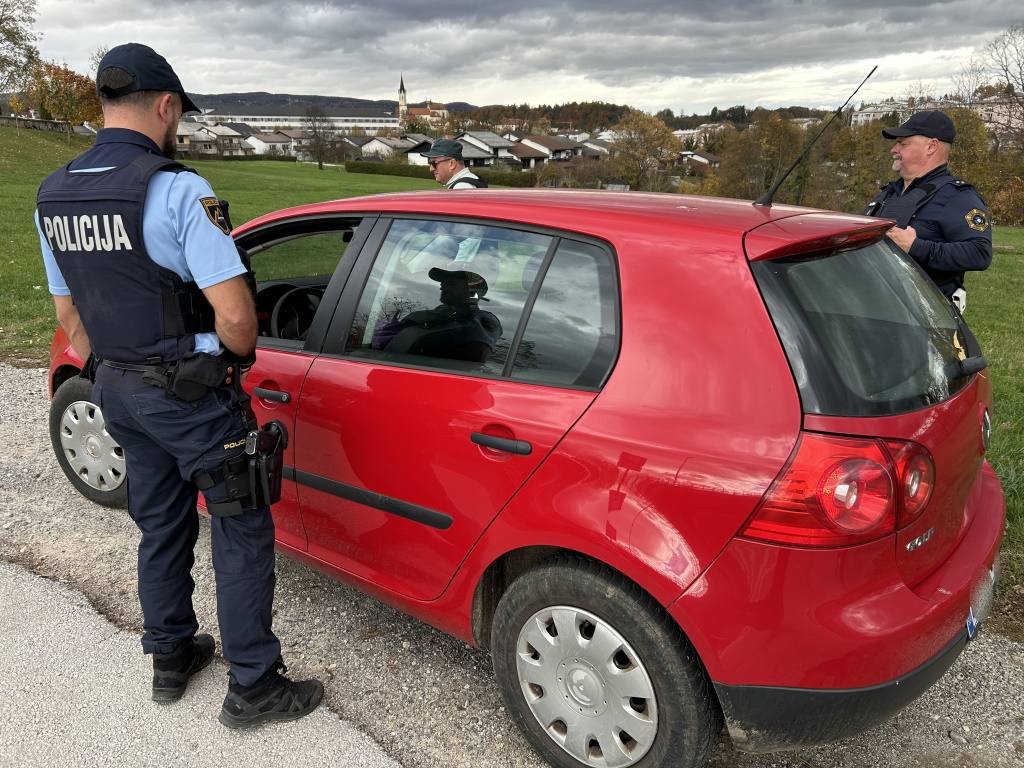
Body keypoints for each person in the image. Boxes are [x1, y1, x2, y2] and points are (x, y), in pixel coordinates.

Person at [34, 43, 323, 728]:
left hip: (118, 390)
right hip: (193, 397)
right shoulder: (176, 189)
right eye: (178, 116)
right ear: (166, 107)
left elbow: (69, 316)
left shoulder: (55, 193)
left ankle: (170, 656)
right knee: (241, 528)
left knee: (160, 523)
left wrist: (113, 372)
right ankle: (254, 684)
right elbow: (236, 318)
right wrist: (220, 363)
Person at [864, 110, 992, 312]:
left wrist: (916, 247)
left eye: (903, 143)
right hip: (874, 309)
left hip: (923, 320)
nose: (894, 149)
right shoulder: (888, 194)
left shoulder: (957, 196)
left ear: (931, 146)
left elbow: (979, 253)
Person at [372, 266, 502, 362]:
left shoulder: (478, 328)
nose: (442, 286)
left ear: (472, 293)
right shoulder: (435, 317)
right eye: (443, 282)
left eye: (451, 283)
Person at [422, 138, 488, 189]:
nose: (431, 169)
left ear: (452, 164)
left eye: (434, 163)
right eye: (429, 163)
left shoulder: (461, 187)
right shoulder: (473, 180)